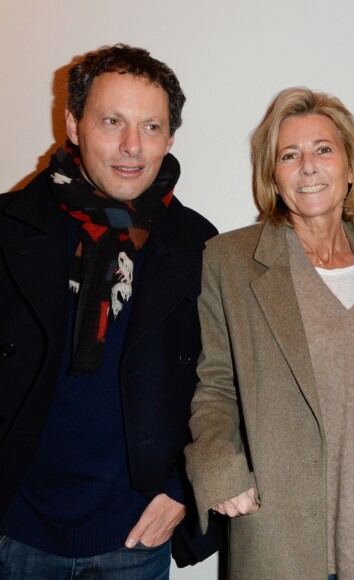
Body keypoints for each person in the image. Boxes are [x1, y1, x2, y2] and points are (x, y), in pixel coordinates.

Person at [185, 87, 354, 580]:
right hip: (277, 534)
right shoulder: (229, 261)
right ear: (272, 176)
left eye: (323, 149)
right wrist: (219, 466)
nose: (308, 166)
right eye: (289, 155)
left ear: (349, 166)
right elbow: (214, 383)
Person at [0, 44, 223, 578]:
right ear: (74, 125)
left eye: (150, 127)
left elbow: (225, 387)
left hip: (135, 536)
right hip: (16, 531)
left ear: (170, 138)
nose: (131, 147)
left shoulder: (200, 244)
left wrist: (181, 489)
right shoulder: (8, 228)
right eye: (112, 121)